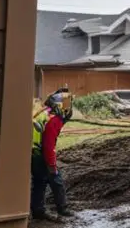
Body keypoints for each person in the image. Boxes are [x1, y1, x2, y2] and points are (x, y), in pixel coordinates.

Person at [31, 89, 74, 220]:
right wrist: (51, 165)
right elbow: (49, 146)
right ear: (59, 106)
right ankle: (62, 209)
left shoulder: (45, 113)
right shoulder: (54, 120)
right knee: (56, 180)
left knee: (39, 181)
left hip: (33, 151)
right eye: (67, 106)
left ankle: (38, 211)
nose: (68, 109)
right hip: (40, 154)